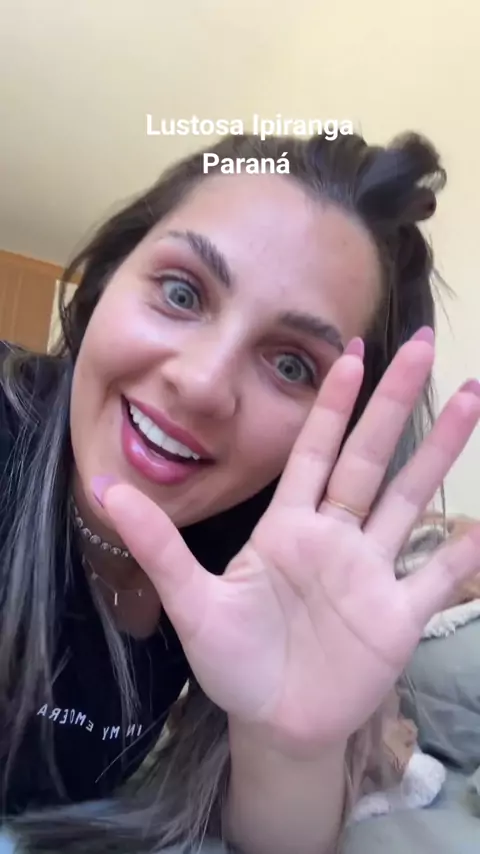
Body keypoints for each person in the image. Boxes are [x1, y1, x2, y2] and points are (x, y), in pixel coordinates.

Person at [1, 130, 480, 854]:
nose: (200, 383)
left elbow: (274, 841)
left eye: (291, 365)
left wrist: (290, 748)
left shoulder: (258, 563)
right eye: (181, 292)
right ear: (105, 283)